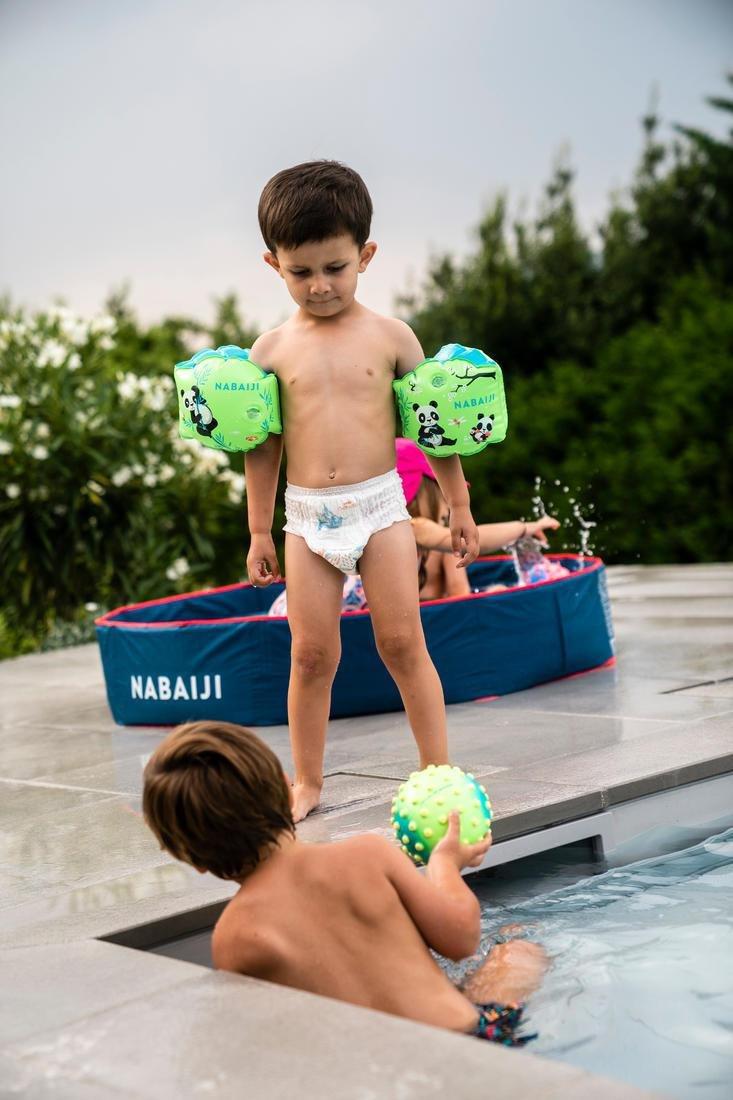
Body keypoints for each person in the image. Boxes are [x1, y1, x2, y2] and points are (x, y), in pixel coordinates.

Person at [245, 161, 480, 821]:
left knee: (403, 643)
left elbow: (436, 431)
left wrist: (458, 506)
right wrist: (260, 530)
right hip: (304, 519)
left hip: (380, 510)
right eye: (301, 272)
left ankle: (437, 774)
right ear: (274, 264)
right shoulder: (268, 352)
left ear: (365, 255)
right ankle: (307, 783)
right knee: (312, 653)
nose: (319, 286)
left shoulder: (392, 337)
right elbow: (261, 451)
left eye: (335, 268)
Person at [143, 720, 548, 1044]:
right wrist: (443, 865)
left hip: (379, 1078)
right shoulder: (366, 854)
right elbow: (461, 940)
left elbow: (270, 1042)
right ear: (286, 791)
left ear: (190, 859)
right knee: (517, 949)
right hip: (473, 1042)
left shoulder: (234, 935)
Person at [395, 438, 562, 599]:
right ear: (421, 492)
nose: (447, 508)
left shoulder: (384, 532)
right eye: (443, 494)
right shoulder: (414, 527)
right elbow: (469, 546)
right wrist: (524, 528)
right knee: (498, 590)